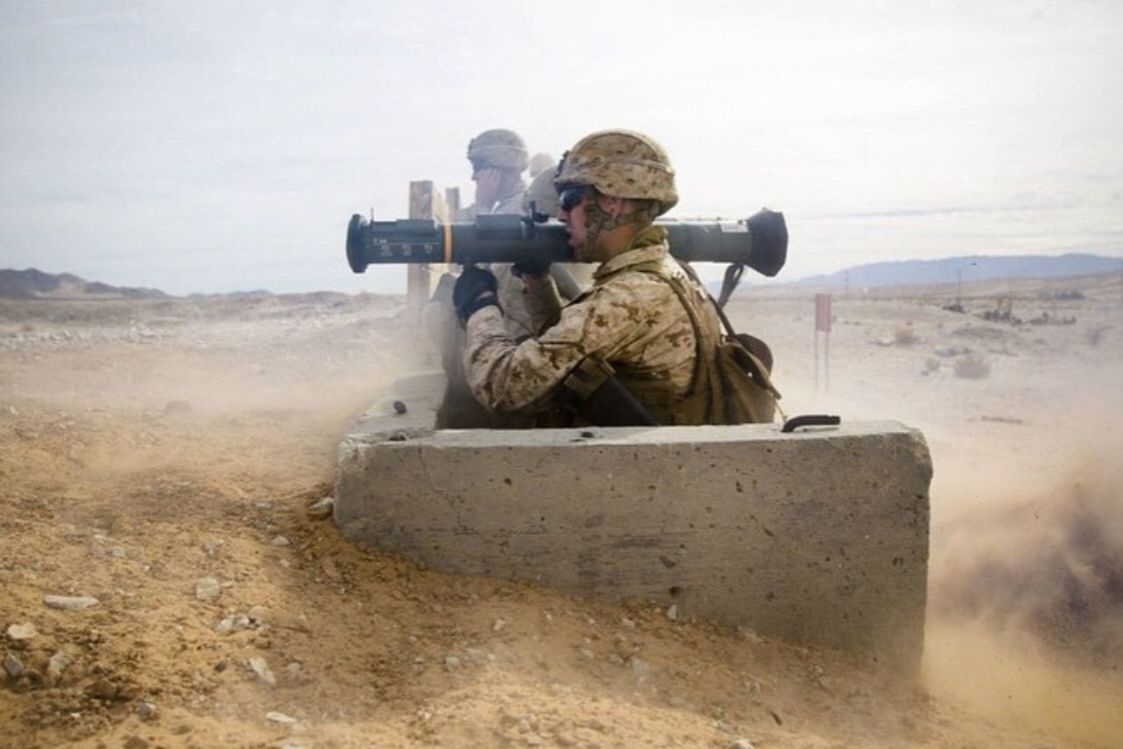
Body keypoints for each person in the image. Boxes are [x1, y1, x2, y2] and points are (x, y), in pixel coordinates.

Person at [451, 129, 734, 426]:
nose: (561, 215)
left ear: (613, 202)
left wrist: (480, 308)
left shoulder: (629, 298)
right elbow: (570, 352)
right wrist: (538, 283)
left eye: (570, 199)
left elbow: (505, 388)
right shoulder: (666, 272)